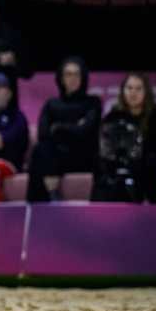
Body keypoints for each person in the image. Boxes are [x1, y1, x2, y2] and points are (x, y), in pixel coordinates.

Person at [27, 57, 100, 202]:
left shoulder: (93, 103)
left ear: (83, 77)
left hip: (83, 156)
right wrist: (74, 127)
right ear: (61, 78)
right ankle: (45, 200)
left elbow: (86, 132)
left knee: (43, 155)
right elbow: (43, 134)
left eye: (77, 74)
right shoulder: (51, 104)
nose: (72, 78)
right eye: (68, 74)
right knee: (41, 151)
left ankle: (43, 201)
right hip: (56, 155)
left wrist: (58, 127)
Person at [92, 72, 156, 203]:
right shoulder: (113, 115)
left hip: (145, 168)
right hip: (116, 167)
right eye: (129, 88)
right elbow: (105, 146)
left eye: (138, 88)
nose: (133, 93)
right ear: (123, 91)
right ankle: (100, 211)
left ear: (146, 92)